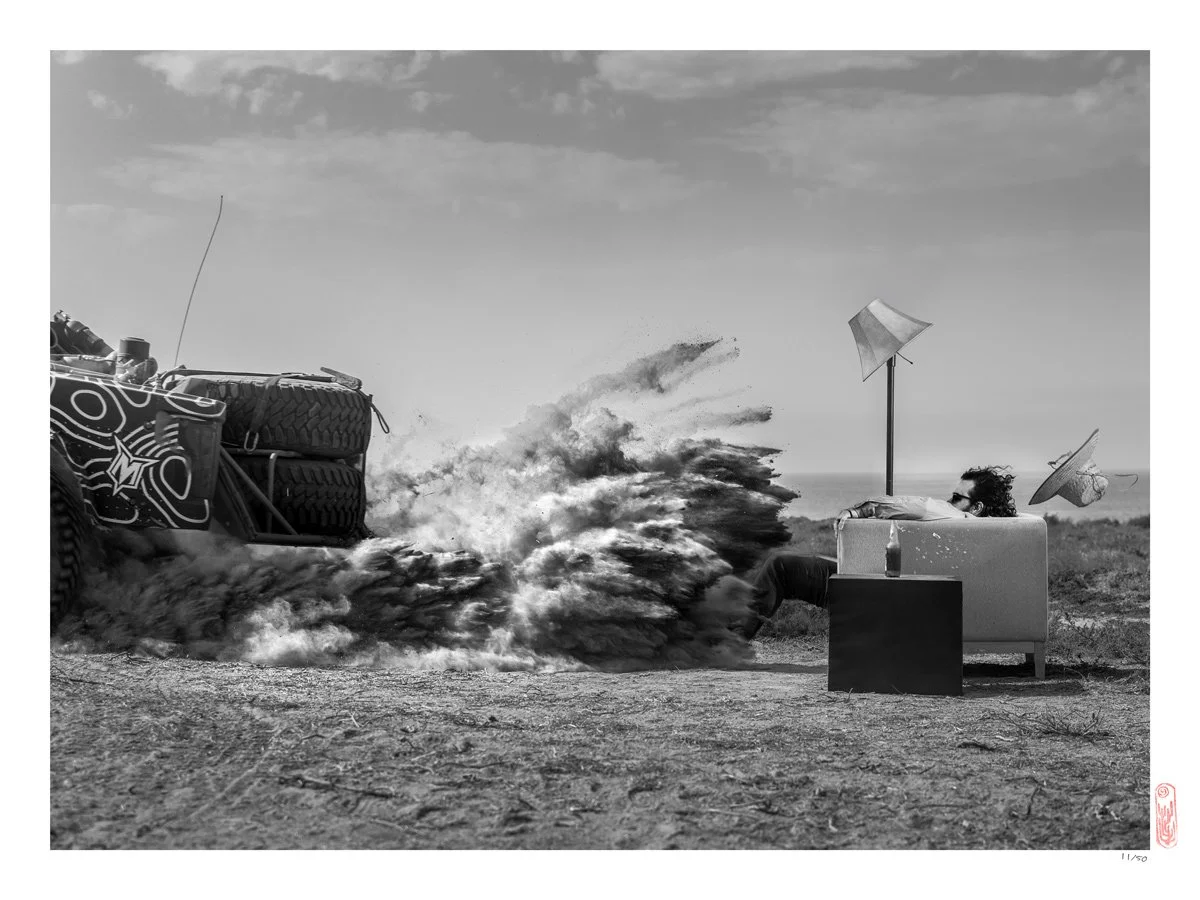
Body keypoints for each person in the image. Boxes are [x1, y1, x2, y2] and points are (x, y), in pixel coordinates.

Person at [723, 465, 1017, 638]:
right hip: (923, 607)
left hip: (877, 598)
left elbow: (902, 506)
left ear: (976, 507)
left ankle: (731, 639)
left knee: (780, 566)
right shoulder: (1001, 533)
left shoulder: (949, 514)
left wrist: (857, 511)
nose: (949, 500)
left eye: (956, 496)